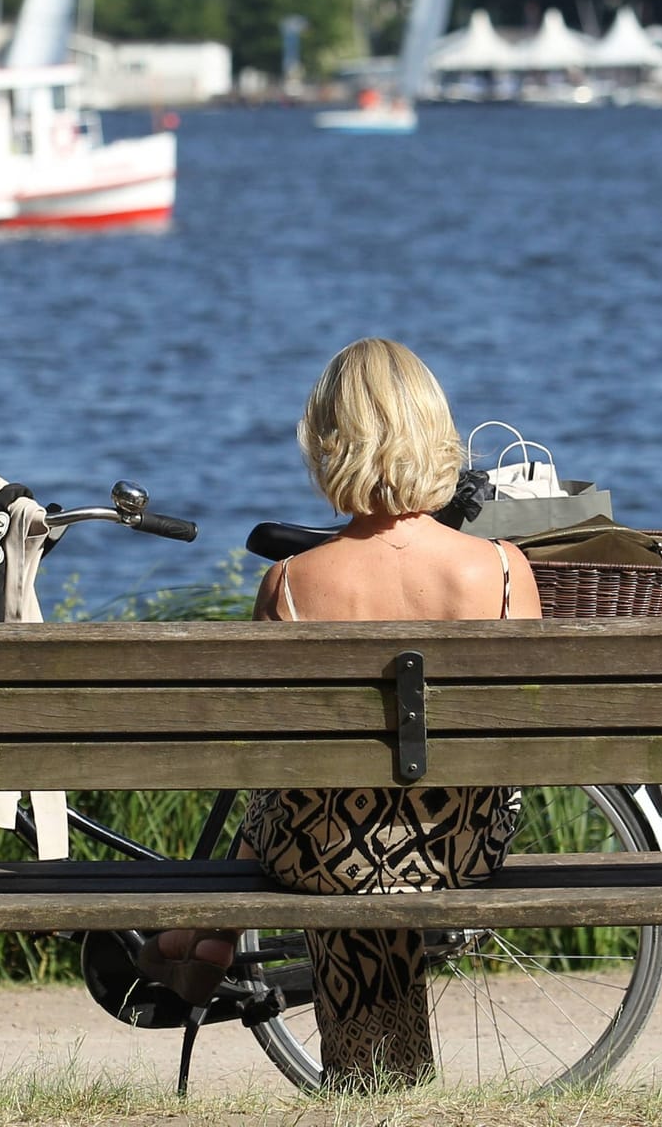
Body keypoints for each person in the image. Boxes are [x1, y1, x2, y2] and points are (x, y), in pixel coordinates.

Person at [137, 337, 542, 1089]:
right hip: (462, 844)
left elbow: (265, 750)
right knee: (373, 815)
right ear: (435, 436)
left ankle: (361, 1071)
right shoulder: (506, 570)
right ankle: (388, 1084)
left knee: (320, 813)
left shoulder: (291, 584)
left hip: (329, 853)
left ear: (329, 445)